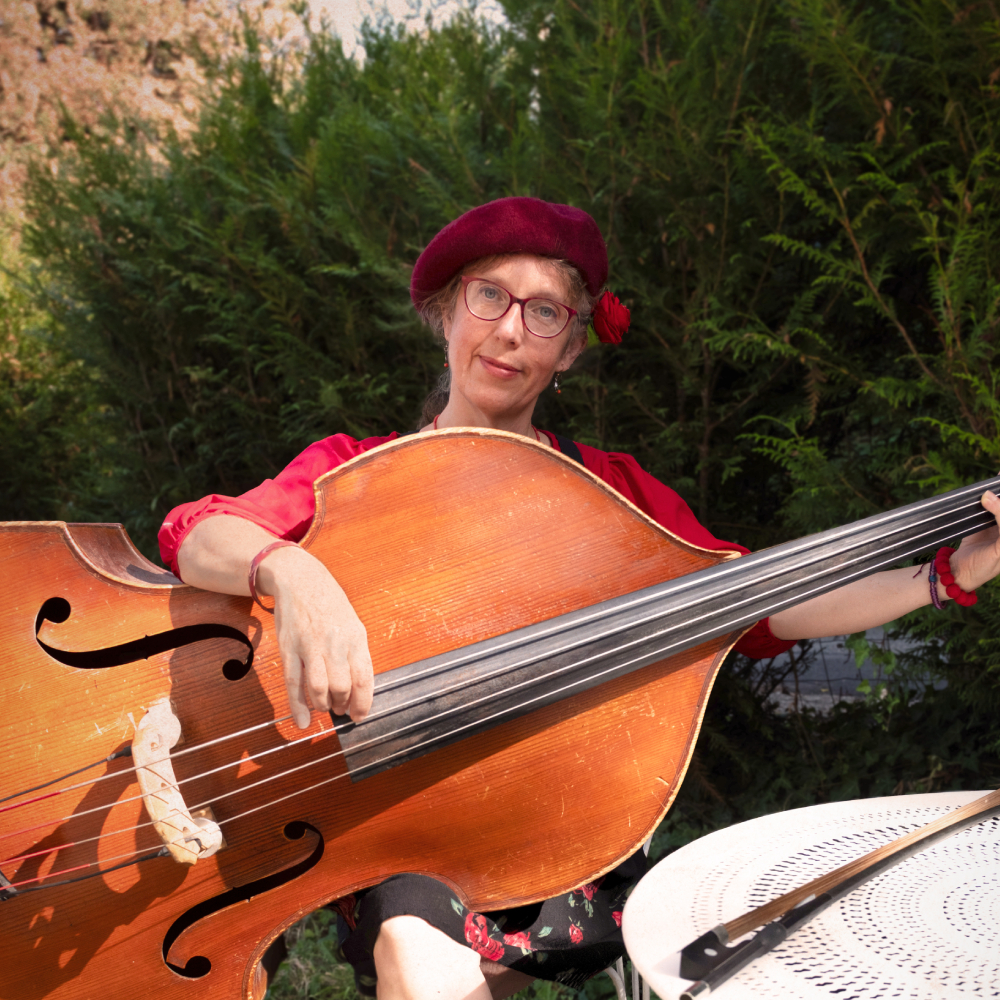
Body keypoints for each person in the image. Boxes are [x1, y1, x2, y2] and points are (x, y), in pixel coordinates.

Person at [157, 196, 1000, 1000]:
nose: (509, 330)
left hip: (549, 820)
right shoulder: (357, 473)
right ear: (448, 314)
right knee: (416, 954)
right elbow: (195, 534)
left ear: (569, 350)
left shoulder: (611, 493)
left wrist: (943, 576)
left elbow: (760, 606)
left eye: (545, 312)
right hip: (398, 822)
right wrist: (292, 570)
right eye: (490, 296)